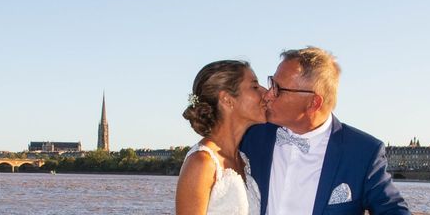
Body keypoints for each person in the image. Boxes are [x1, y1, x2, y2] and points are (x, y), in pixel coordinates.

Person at [241, 47, 411, 215]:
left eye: (278, 89)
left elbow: (393, 210)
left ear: (313, 103)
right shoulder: (250, 135)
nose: (268, 95)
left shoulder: (363, 152)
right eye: (271, 83)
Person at [176, 60, 267, 215]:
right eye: (254, 86)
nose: (265, 92)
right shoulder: (202, 162)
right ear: (227, 99)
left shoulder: (244, 160)